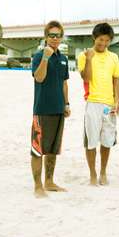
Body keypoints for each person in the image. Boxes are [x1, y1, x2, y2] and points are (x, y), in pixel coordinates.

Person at [31, 20, 71, 198]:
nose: (55, 38)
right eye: (51, 35)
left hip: (58, 109)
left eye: (58, 35)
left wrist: (67, 103)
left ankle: (49, 181)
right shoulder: (39, 56)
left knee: (53, 150)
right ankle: (38, 186)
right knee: (38, 150)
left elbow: (64, 83)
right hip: (42, 109)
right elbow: (39, 78)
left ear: (62, 37)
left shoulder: (63, 58)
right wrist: (46, 57)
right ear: (46, 37)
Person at [78, 23, 119, 186]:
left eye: (107, 40)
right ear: (94, 38)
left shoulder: (114, 57)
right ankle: (93, 174)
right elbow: (86, 78)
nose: (103, 43)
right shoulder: (84, 55)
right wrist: (89, 59)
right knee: (91, 141)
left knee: (107, 140)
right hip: (92, 103)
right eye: (101, 40)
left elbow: (116, 80)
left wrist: (117, 101)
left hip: (109, 105)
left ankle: (103, 171)